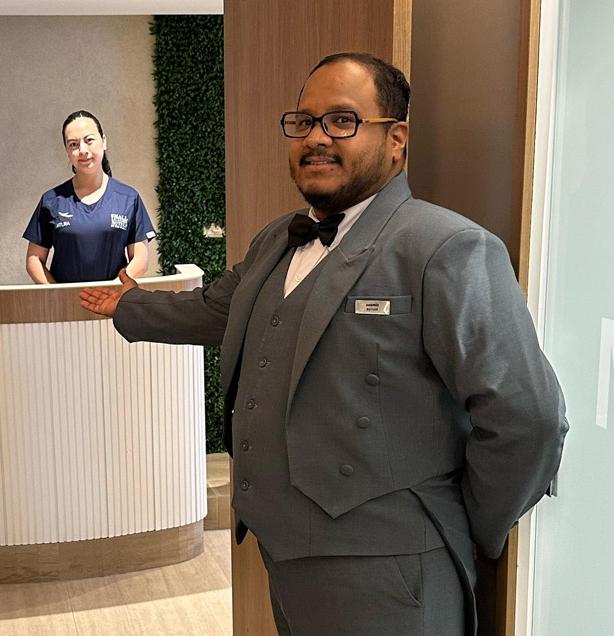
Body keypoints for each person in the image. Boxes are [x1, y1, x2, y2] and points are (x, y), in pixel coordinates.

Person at [79, 53, 568, 635]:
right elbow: (220, 309)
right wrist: (129, 306)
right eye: (304, 121)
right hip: (283, 555)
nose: (316, 138)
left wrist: (469, 524)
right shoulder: (276, 241)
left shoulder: (448, 248)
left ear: (396, 139)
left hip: (392, 574)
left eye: (342, 120)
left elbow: (527, 418)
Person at [23, 110, 156, 284]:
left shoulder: (129, 198)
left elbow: (140, 259)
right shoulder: (51, 201)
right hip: (66, 306)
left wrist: (112, 291)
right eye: (73, 144)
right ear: (67, 150)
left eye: (89, 140)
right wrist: (59, 295)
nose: (82, 150)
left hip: (114, 303)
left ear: (104, 141)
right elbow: (34, 260)